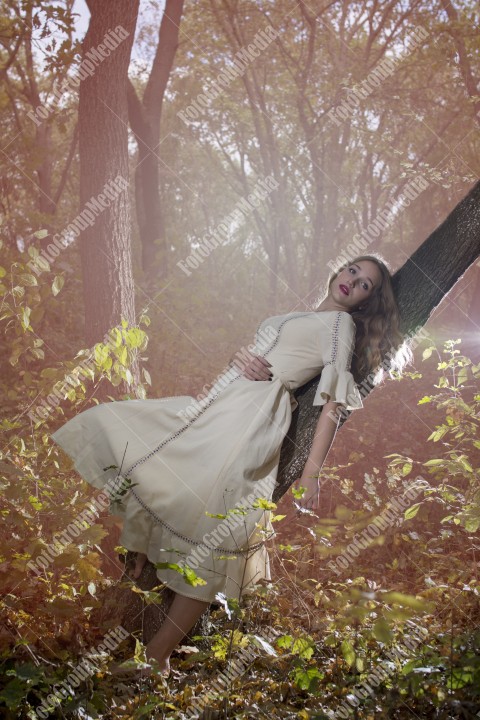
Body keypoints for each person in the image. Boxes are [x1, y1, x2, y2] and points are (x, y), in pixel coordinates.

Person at [51, 254, 410, 676]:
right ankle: (140, 599)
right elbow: (266, 355)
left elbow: (332, 403)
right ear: (338, 271)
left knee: (213, 535)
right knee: (133, 442)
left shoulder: (341, 326)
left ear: (366, 301)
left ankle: (157, 657)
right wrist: (240, 358)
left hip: (252, 419)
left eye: (365, 283)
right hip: (220, 404)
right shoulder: (301, 315)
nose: (354, 281)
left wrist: (312, 471)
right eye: (353, 270)